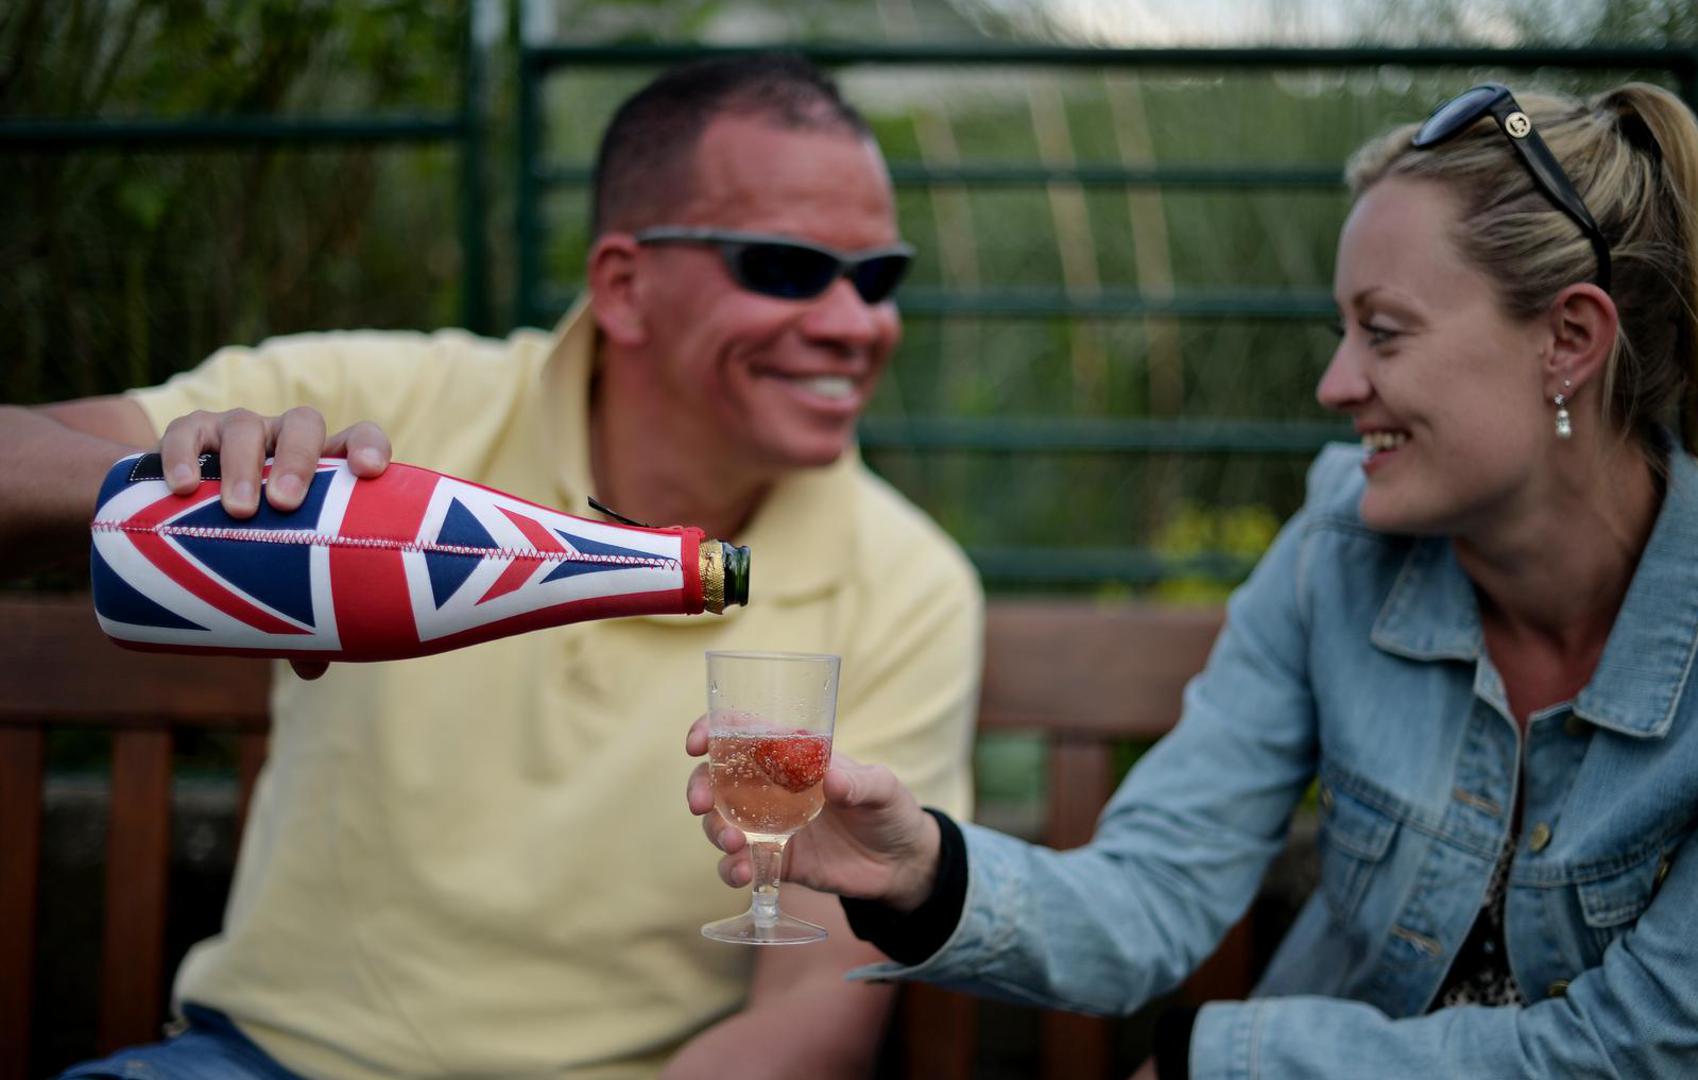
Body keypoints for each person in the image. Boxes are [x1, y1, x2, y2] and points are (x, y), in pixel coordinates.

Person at [689, 80, 1698, 1078]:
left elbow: (1637, 1047)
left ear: (1569, 340)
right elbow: (1152, 897)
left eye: (1384, 332)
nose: (1336, 384)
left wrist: (1216, 1062)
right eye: (1343, 334)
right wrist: (922, 868)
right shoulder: (1337, 550)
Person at [1, 55, 983, 1079]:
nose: (857, 323)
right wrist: (164, 489)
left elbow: (815, 1008)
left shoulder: (908, 582)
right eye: (785, 268)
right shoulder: (381, 411)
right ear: (625, 286)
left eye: (879, 278)